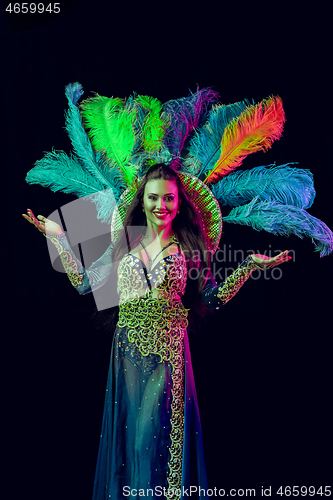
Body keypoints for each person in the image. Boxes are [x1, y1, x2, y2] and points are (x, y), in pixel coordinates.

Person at [23, 163, 291, 500]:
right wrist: (59, 238)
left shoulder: (190, 247)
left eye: (168, 199)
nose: (160, 206)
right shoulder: (124, 243)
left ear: (179, 203)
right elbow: (84, 283)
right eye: (153, 198)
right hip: (127, 353)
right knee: (132, 439)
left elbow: (213, 297)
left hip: (168, 354)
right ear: (142, 199)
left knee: (152, 434)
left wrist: (249, 265)